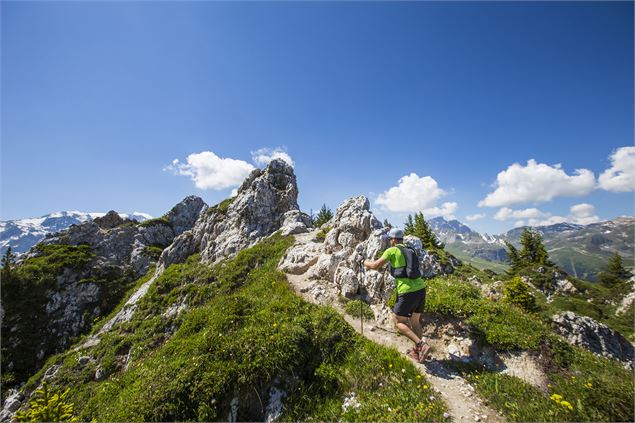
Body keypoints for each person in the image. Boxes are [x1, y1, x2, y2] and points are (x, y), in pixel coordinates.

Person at [364, 228, 431, 363]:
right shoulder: (410, 250)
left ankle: (421, 345)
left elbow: (375, 265)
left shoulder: (392, 250)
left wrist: (364, 261)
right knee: (415, 321)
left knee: (398, 321)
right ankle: (418, 353)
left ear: (393, 240)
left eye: (390, 239)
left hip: (407, 291)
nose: (389, 242)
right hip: (421, 289)